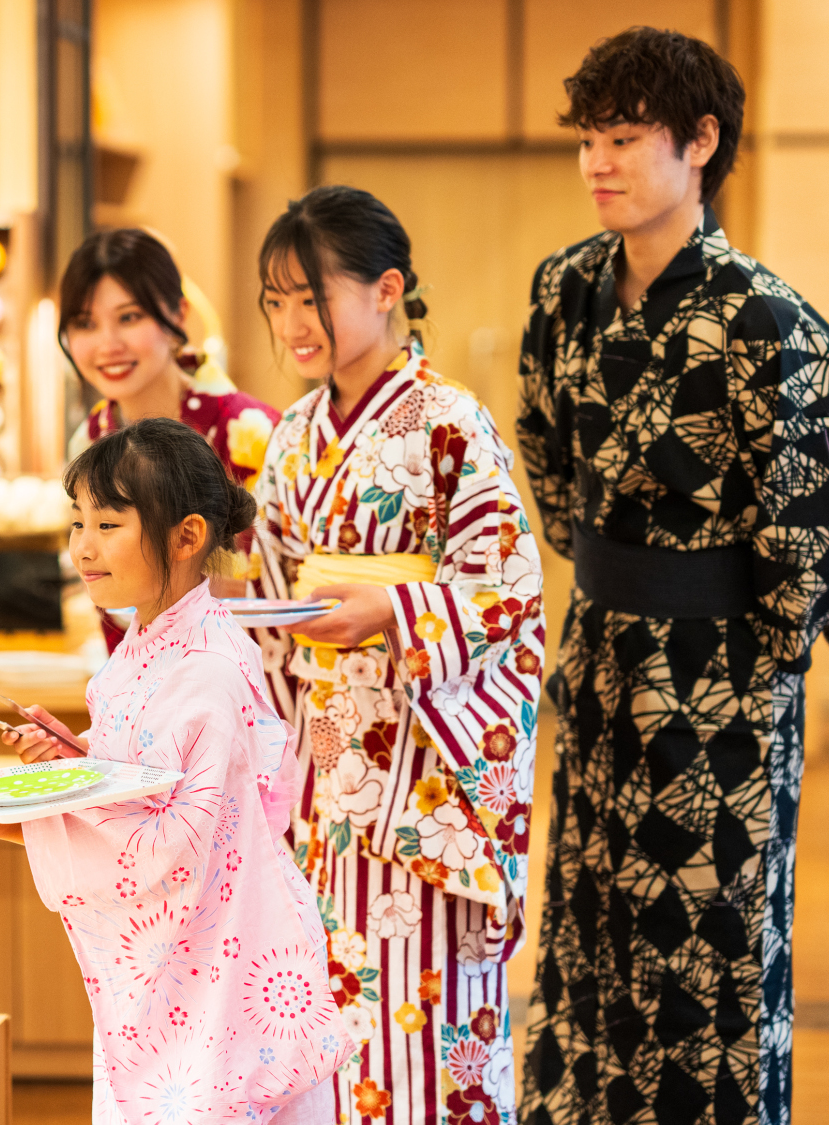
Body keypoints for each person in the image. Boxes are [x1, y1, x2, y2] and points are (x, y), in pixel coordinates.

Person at [515, 28, 829, 1125]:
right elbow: (543, 452)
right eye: (587, 137)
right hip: (599, 661)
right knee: (589, 930)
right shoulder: (561, 293)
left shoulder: (759, 316)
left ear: (700, 142)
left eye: (624, 136)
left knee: (709, 949)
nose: (597, 160)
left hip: (717, 682)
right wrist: (608, 565)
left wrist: (761, 637)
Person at [0, 418, 355, 1123]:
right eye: (76, 522)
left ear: (186, 537)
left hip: (217, 960)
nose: (82, 547)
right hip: (179, 969)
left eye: (107, 523)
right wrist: (75, 759)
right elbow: (140, 776)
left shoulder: (209, 669)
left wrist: (22, 814)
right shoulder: (144, 646)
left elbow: (166, 846)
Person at [245, 184, 547, 1124]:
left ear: (387, 290)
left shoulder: (449, 421)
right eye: (277, 300)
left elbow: (510, 586)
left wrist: (394, 605)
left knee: (433, 1024)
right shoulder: (292, 439)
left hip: (428, 773)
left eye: (314, 296)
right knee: (336, 1026)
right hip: (327, 769)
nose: (295, 323)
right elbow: (267, 597)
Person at [58, 228, 283, 656]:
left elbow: (284, 586)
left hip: (238, 685)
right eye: (85, 323)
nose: (108, 345)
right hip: (133, 685)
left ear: (178, 314)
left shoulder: (250, 430)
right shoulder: (90, 436)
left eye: (130, 317)